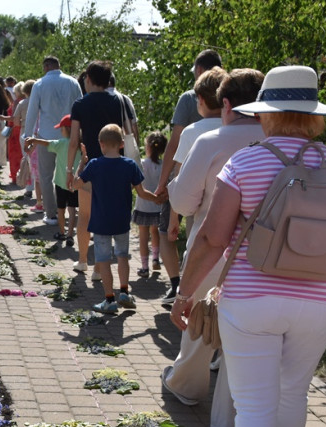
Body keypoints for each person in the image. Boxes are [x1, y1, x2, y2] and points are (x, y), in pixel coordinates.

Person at [169, 65, 326, 427]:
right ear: (314, 116)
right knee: (293, 388)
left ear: (267, 113)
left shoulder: (246, 162)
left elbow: (212, 241)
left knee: (255, 400)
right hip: (320, 300)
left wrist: (185, 292)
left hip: (251, 297)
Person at [160, 68, 266, 427]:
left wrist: (175, 186)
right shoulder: (276, 140)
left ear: (226, 104)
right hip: (263, 257)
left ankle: (187, 386)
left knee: (198, 323)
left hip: (211, 245)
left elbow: (185, 201)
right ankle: (233, 415)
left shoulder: (210, 140)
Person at [157, 49, 224, 304]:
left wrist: (164, 186)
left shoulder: (189, 104)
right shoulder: (241, 109)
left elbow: (175, 151)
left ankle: (180, 288)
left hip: (192, 190)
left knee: (182, 237)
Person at [78, 124, 160, 313]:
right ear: (122, 144)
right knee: (123, 256)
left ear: (101, 144)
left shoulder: (95, 164)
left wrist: (82, 162)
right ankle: (124, 292)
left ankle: (109, 300)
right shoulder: (129, 165)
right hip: (122, 220)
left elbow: (74, 184)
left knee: (104, 260)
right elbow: (142, 192)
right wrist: (157, 199)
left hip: (100, 222)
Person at [67, 60, 127, 273]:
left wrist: (69, 170)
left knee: (85, 215)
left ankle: (83, 260)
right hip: (113, 164)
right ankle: (100, 268)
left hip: (89, 165)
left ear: (88, 79)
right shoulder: (116, 101)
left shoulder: (80, 104)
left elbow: (74, 141)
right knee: (105, 215)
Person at [24, 56, 83, 226]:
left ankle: (52, 214)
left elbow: (32, 112)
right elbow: (80, 107)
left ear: (47, 66)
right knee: (69, 171)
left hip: (46, 136)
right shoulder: (73, 83)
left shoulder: (40, 84)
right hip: (70, 136)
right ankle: (72, 210)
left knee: (46, 175)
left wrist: (27, 136)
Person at [25, 115, 82, 245]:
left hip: (61, 182)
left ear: (66, 130)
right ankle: (70, 235)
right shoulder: (80, 144)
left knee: (61, 209)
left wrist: (34, 139)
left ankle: (62, 232)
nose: (60, 131)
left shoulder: (61, 143)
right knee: (72, 209)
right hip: (75, 183)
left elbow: (47, 143)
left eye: (61, 129)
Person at [134, 132, 167, 278]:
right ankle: (155, 258)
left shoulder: (142, 164)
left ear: (148, 147)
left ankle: (144, 267)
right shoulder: (163, 166)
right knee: (155, 233)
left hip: (143, 206)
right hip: (158, 206)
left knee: (143, 237)